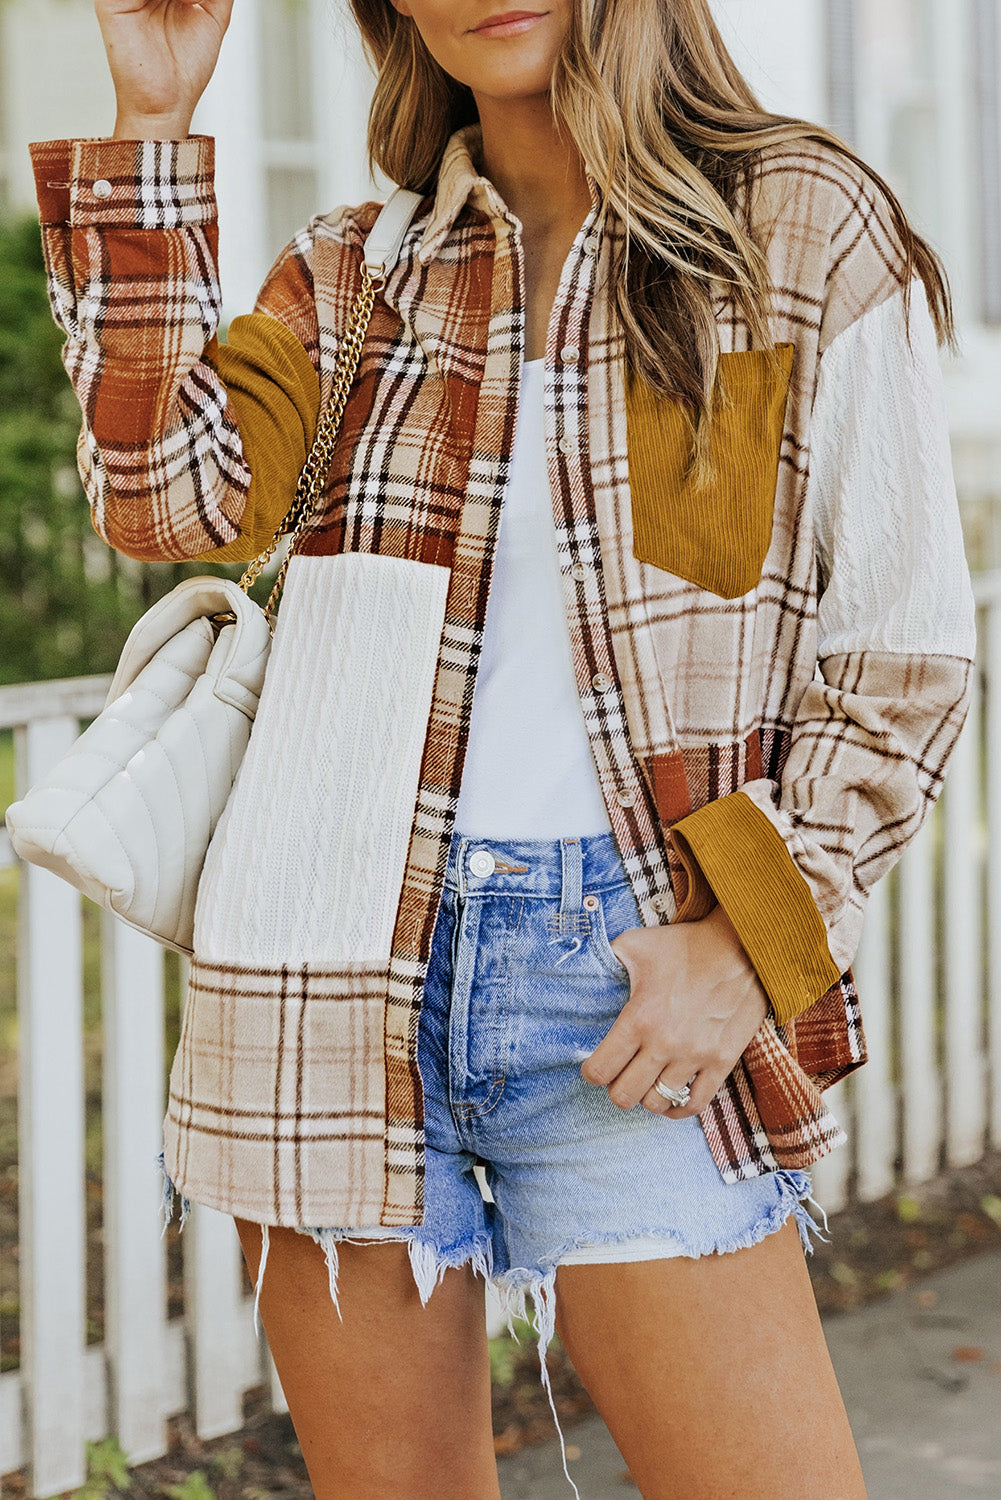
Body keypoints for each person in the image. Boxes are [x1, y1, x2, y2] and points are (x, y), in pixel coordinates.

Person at [31, 0, 976, 1495]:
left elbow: (901, 663)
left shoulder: (789, 230)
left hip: (624, 977)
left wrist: (743, 945)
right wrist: (154, 123)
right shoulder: (356, 273)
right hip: (331, 976)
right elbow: (163, 503)